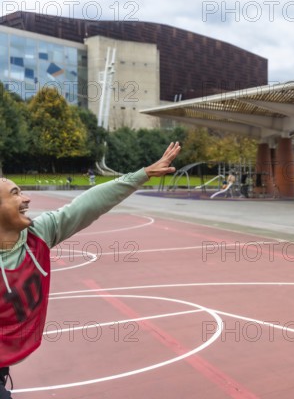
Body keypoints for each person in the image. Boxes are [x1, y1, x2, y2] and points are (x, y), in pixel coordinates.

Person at [0, 142, 181, 398]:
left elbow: (87, 204)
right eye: (15, 193)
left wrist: (143, 174)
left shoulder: (38, 235)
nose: (26, 198)